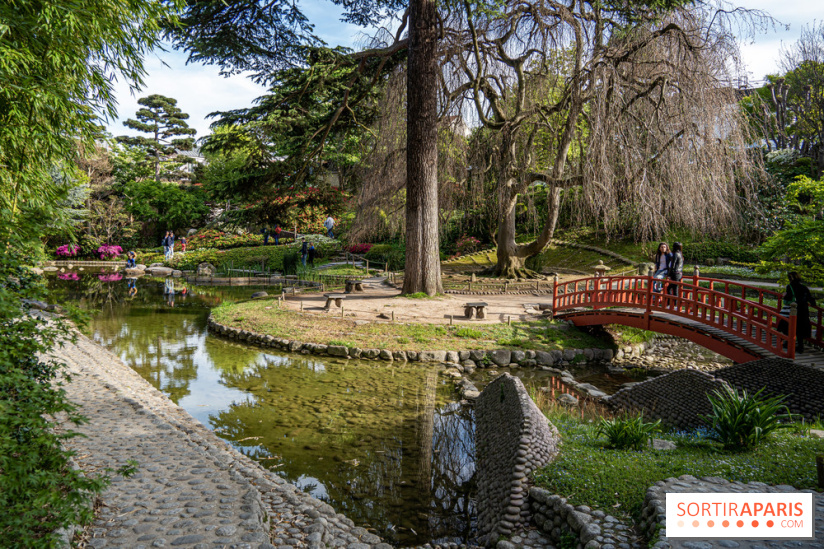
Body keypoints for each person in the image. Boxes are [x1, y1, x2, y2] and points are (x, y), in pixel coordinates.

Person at [781, 272, 818, 353]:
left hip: (794, 309)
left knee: (790, 325)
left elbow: (789, 297)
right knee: (801, 327)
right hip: (803, 310)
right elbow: (811, 299)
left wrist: (784, 295)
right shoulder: (804, 287)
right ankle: (800, 346)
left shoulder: (790, 286)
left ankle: (788, 343)